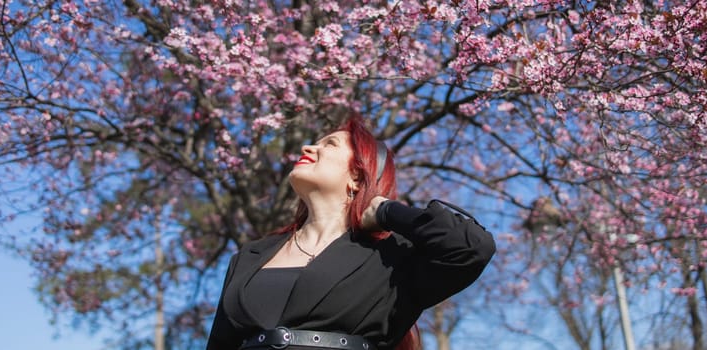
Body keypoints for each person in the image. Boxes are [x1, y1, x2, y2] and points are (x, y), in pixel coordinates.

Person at [206, 115, 496, 350]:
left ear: (358, 176)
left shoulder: (390, 260)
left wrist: (386, 211)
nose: (308, 148)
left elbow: (472, 247)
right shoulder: (249, 256)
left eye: (329, 144)